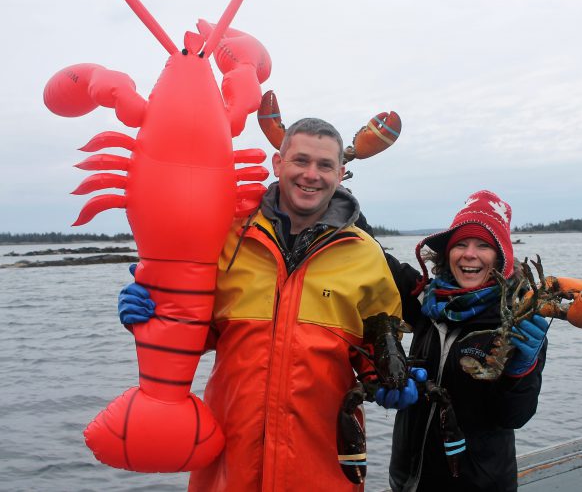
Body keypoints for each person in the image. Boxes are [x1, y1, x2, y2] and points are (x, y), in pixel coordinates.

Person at [118, 117, 421, 492]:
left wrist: (388, 383)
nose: (311, 175)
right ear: (278, 164)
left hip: (323, 468)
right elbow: (198, 334)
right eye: (301, 161)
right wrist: (157, 312)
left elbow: (376, 346)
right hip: (229, 465)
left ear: (340, 174)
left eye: (325, 165)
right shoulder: (226, 238)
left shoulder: (366, 255)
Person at [388, 190, 549, 492]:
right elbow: (379, 260)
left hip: (479, 484)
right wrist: (333, 189)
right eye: (460, 244)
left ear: (501, 258)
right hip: (410, 481)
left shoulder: (517, 320)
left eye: (483, 246)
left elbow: (515, 416)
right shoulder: (426, 301)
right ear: (447, 254)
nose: (469, 254)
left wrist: (521, 369)